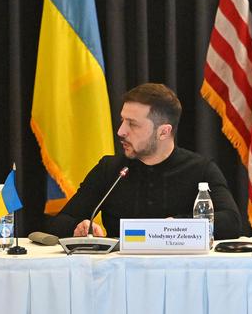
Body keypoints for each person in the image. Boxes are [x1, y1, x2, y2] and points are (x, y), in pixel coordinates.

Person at [46, 83, 241, 239]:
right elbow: (60, 221)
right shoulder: (110, 169)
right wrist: (77, 227)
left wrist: (177, 226)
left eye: (133, 124)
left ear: (164, 132)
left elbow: (231, 222)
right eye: (122, 120)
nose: (121, 131)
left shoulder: (200, 169)